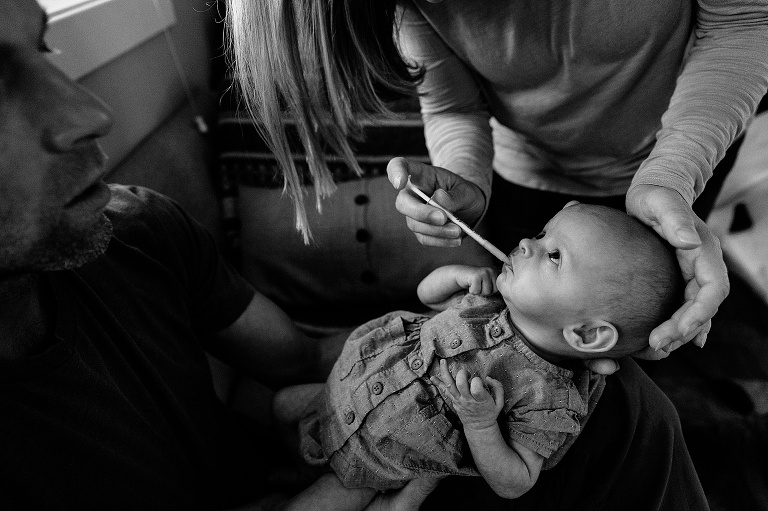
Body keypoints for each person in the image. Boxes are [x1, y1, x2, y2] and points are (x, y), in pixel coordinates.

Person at [0, 1, 442, 509]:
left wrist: (449, 331)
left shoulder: (142, 231)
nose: (92, 115)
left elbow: (301, 357)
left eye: (42, 48)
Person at [226, 0, 765, 362]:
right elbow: (453, 105)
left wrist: (672, 174)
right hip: (519, 173)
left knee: (643, 347)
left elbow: (743, 21)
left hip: (673, 160)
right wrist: (464, 178)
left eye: (554, 255)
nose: (527, 245)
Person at [271, 203, 683, 508]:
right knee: (279, 405)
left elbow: (516, 481)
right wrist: (453, 277)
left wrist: (481, 423)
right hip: (342, 390)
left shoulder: (550, 398)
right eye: (541, 234)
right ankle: (292, 463)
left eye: (554, 256)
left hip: (370, 463)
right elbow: (423, 297)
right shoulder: (489, 300)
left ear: (587, 333)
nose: (526, 243)